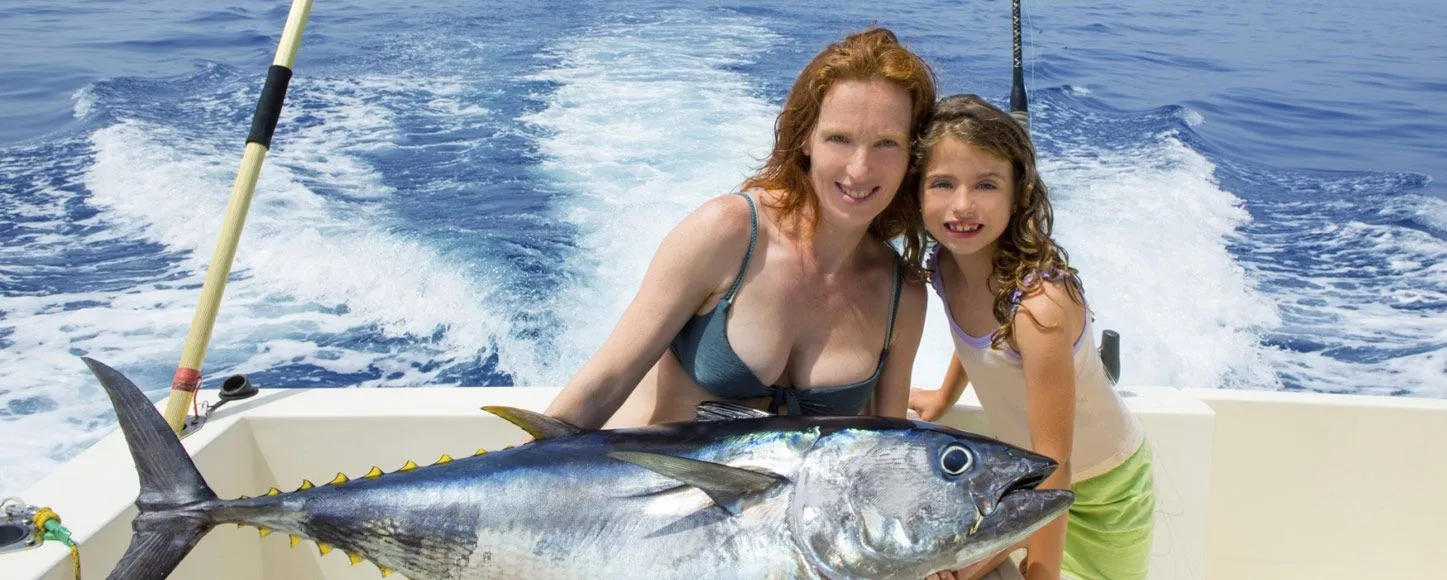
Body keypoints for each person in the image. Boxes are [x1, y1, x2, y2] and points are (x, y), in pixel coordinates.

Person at [544, 27, 937, 429]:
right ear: (806, 140)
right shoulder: (727, 233)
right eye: (839, 138)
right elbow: (605, 383)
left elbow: (887, 446)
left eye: (887, 142)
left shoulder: (901, 295)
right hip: (640, 486)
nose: (860, 168)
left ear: (913, 154)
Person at [907, 95, 1155, 580]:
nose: (962, 205)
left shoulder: (1039, 311)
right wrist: (943, 395)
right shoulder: (944, 266)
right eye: (942, 183)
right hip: (1024, 482)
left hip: (1104, 493)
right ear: (916, 193)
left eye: (985, 184)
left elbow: (1056, 468)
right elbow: (975, 339)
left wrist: (1040, 572)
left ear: (1018, 193)